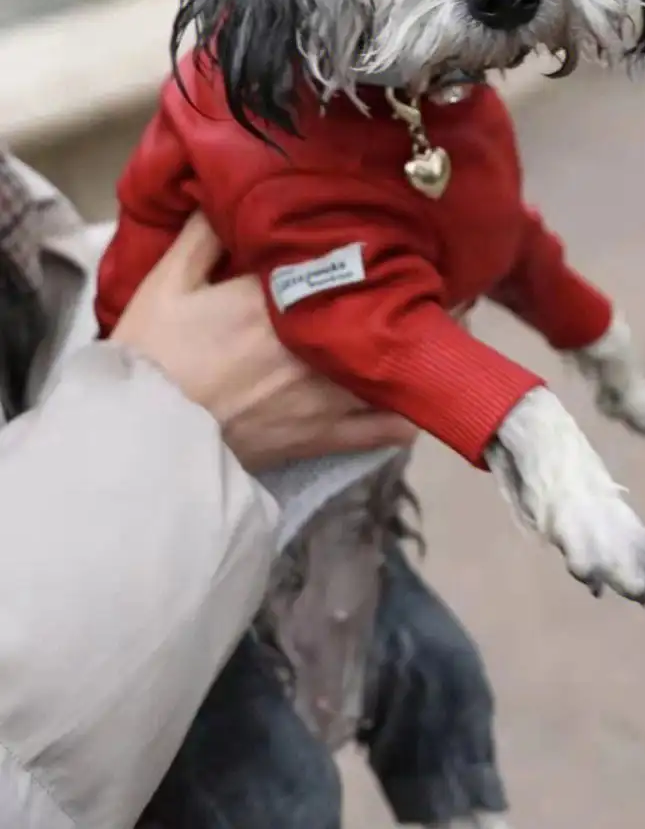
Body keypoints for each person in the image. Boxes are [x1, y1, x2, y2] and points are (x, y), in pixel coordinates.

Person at [0, 151, 510, 829]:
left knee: (440, 679)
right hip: (129, 628)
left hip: (273, 546)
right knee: (280, 795)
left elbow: (64, 273)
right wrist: (162, 417)